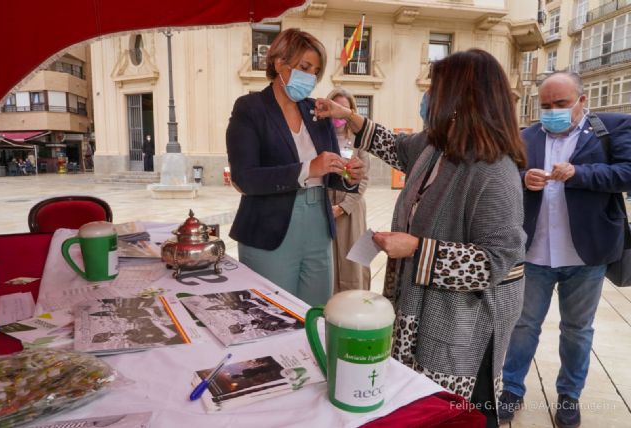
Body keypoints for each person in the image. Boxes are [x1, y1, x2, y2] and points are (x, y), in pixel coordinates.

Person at [315, 49, 527, 427]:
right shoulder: (437, 145)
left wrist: (416, 248)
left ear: (463, 98)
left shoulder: (494, 171)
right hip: (421, 305)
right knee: (422, 400)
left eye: (435, 88)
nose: (428, 97)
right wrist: (350, 117)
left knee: (463, 411)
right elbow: (395, 147)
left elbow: (497, 260)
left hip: (461, 321)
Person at [498, 72, 631, 428]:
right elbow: (506, 176)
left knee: (577, 329)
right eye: (545, 105)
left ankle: (569, 395)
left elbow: (627, 173)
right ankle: (511, 389)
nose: (552, 111)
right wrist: (523, 179)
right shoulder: (525, 137)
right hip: (535, 253)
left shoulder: (611, 129)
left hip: (586, 254)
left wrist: (580, 173)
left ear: (582, 101)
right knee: (524, 325)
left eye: (561, 104)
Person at [226, 28, 365, 306]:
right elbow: (245, 177)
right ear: (279, 63)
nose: (310, 77)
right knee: (272, 315)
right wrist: (307, 169)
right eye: (304, 67)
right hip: (269, 226)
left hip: (318, 227)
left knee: (315, 313)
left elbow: (333, 174)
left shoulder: (318, 111)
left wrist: (350, 175)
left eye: (315, 71)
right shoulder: (250, 108)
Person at [326, 87, 371, 293]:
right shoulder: (320, 137)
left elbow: (364, 179)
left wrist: (343, 207)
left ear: (351, 111)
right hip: (325, 206)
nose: (339, 113)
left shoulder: (359, 140)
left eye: (344, 108)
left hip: (350, 210)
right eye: (335, 107)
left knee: (353, 262)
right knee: (329, 262)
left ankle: (355, 304)